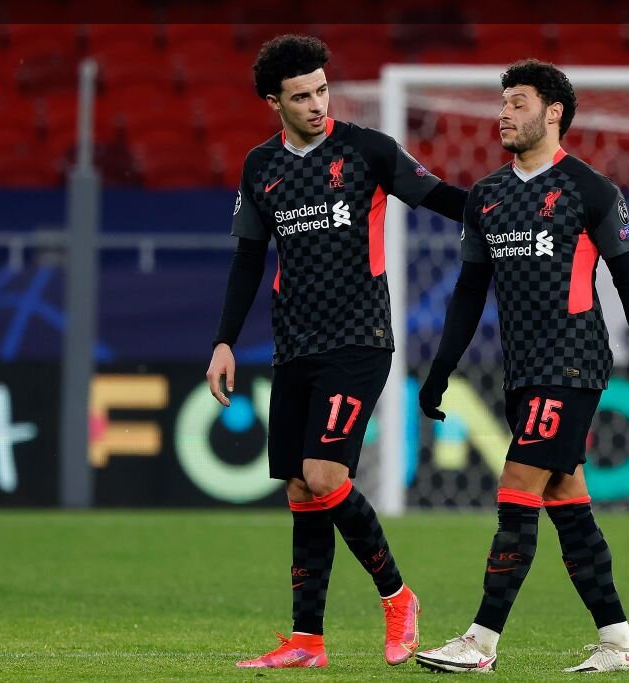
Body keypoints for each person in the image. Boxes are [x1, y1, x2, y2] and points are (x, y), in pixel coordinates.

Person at [205, 34, 467, 670]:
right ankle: (306, 641)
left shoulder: (368, 150)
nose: (318, 104)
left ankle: (399, 598)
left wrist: (509, 214)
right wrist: (224, 341)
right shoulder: (260, 167)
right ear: (274, 102)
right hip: (295, 342)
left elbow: (440, 198)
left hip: (359, 338)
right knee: (300, 488)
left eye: (322, 90)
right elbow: (248, 259)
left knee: (324, 475)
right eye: (301, 96)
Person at [414, 59, 629, 674]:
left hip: (573, 362)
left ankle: (480, 642)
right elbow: (468, 292)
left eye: (519, 102)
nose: (504, 113)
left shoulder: (591, 190)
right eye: (503, 102)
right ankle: (618, 643)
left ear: (553, 113)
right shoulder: (487, 196)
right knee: (566, 500)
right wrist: (441, 368)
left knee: (517, 487)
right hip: (523, 369)